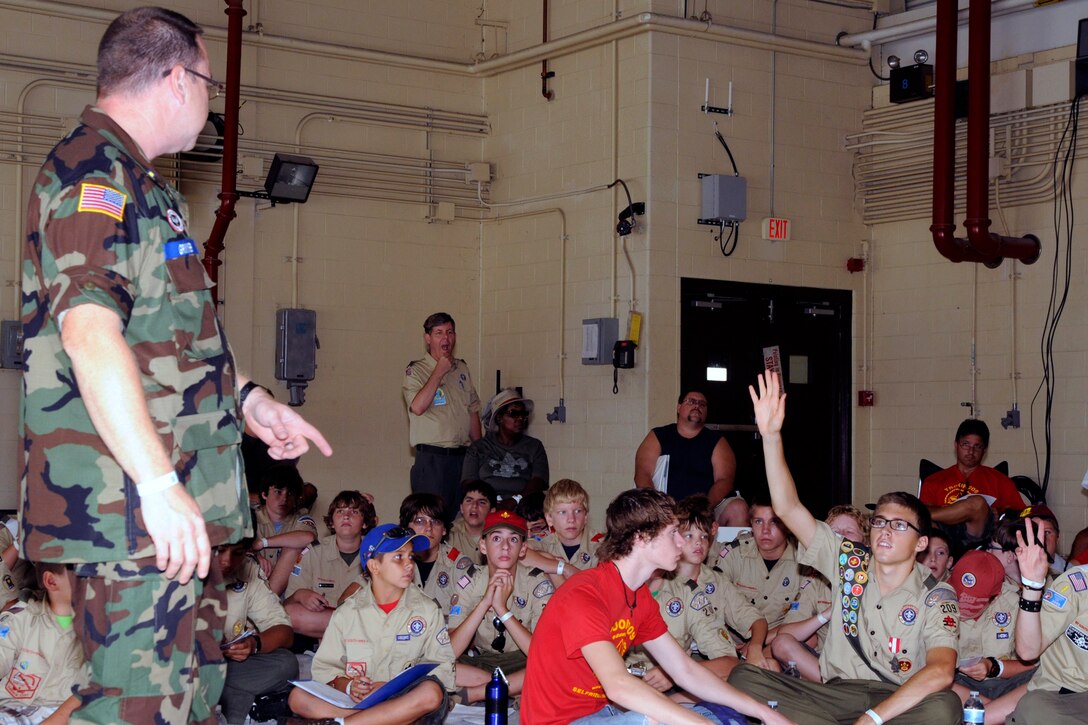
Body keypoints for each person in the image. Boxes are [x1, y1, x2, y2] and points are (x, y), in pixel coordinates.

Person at [19, 8, 333, 723]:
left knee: (189, 699)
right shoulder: (92, 174)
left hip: (172, 512)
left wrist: (250, 400)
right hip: (130, 513)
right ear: (173, 77)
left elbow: (167, 339)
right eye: (206, 80)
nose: (209, 98)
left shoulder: (146, 186)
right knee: (139, 706)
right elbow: (91, 333)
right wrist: (158, 484)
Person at [728, 371, 961, 724]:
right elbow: (789, 508)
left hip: (894, 699)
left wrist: (872, 719)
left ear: (922, 543)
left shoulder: (935, 595)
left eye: (899, 526)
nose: (885, 531)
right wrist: (772, 437)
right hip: (831, 692)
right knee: (743, 677)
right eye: (880, 522)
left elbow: (942, 671)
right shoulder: (850, 561)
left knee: (946, 706)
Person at [520, 488, 791, 725]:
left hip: (604, 713)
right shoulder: (585, 594)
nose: (682, 543)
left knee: (723, 714)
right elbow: (618, 686)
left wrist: (764, 713)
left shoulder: (639, 597)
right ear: (641, 538)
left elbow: (684, 670)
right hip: (561, 721)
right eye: (674, 533)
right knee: (661, 719)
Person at [286, 524, 454, 725]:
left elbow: (443, 668)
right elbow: (324, 669)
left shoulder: (427, 610)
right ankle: (380, 720)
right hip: (357, 702)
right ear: (374, 566)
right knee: (297, 698)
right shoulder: (348, 612)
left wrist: (393, 687)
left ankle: (345, 723)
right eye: (398, 557)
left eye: (410, 556)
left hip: (403, 699)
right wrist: (349, 687)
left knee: (432, 693)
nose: (409, 564)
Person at [447, 511, 552, 703]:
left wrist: (501, 609)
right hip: (481, 664)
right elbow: (451, 651)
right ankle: (506, 688)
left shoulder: (536, 583)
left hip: (522, 662)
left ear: (522, 549)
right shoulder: (470, 580)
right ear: (483, 546)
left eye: (513, 540)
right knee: (436, 666)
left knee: (554, 665)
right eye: (496, 538)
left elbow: (541, 652)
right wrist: (485, 602)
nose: (505, 547)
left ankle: (477, 693)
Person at [770, 505, 868, 681]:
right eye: (834, 532)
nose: (841, 537)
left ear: (865, 542)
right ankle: (833, 689)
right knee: (781, 644)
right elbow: (786, 634)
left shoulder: (876, 576)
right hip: (827, 666)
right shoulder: (817, 581)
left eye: (849, 532)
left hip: (867, 667)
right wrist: (827, 614)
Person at [1005, 517, 1088, 724]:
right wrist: (1032, 586)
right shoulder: (1078, 584)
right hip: (1070, 697)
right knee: (1034, 708)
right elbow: (1028, 651)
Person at [403, 312, 482, 513]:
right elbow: (418, 407)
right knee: (433, 519)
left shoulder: (462, 368)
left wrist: (480, 450)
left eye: (449, 332)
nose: (445, 338)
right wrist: (438, 371)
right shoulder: (416, 371)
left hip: (462, 458)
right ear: (428, 338)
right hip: (433, 460)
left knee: (461, 519)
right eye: (439, 333)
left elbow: (472, 409)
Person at [947, 550, 1035, 722]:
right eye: (957, 596)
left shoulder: (1016, 605)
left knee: (1044, 680)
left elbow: (1032, 665)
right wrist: (993, 707)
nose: (961, 607)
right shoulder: (938, 600)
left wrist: (993, 666)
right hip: (957, 684)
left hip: (1007, 684)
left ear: (995, 596)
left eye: (973, 603)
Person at [217, 540, 297, 725]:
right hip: (185, 666)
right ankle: (236, 709)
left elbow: (283, 630)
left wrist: (254, 644)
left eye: (237, 552)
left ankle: (225, 705)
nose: (228, 560)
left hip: (228, 666)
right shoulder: (177, 568)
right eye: (220, 551)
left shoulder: (247, 569)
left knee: (285, 664)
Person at [633, 391, 744, 525]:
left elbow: (724, 480)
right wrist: (659, 506)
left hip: (706, 509)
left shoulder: (717, 441)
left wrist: (703, 508)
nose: (697, 406)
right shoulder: (658, 435)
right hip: (663, 508)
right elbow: (642, 474)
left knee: (739, 509)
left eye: (702, 404)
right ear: (679, 407)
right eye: (691, 401)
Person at [284, 490, 376, 641]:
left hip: (367, 621)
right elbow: (287, 604)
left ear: (365, 522)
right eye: (340, 511)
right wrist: (301, 595)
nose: (346, 516)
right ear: (331, 522)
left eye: (354, 511)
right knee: (289, 613)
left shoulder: (377, 551)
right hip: (330, 622)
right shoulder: (314, 552)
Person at [919, 419, 1024, 551]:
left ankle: (915, 514)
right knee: (924, 516)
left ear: (984, 450)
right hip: (942, 538)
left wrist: (1000, 514)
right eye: (966, 444)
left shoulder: (999, 480)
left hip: (980, 539)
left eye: (977, 446)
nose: (971, 451)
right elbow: (924, 513)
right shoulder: (934, 480)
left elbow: (1020, 515)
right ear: (956, 445)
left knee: (978, 503)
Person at [0, 563, 83, 724]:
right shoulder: (21, 620)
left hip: (68, 716)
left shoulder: (104, 629)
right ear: (51, 581)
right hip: (10, 712)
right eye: (81, 571)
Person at [714, 498, 804, 629]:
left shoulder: (803, 562)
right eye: (758, 521)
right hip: (733, 639)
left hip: (778, 640)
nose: (765, 530)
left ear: (788, 526)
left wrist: (760, 642)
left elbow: (802, 618)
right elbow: (716, 603)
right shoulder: (734, 554)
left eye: (774, 522)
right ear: (751, 524)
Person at [462, 388, 550, 500]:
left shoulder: (534, 446)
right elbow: (468, 483)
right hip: (487, 506)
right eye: (514, 413)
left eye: (523, 414)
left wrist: (515, 500)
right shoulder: (478, 447)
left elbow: (539, 481)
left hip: (523, 506)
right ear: (499, 418)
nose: (520, 418)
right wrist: (488, 502)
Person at [252, 463, 319, 596]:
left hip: (286, 593)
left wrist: (262, 543)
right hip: (252, 586)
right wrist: (255, 556)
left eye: (290, 493)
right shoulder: (251, 517)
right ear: (264, 494)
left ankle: (268, 601)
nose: (284, 498)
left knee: (293, 547)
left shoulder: (301, 518)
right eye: (278, 491)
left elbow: (308, 537)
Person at [399, 493, 473, 612]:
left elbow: (466, 613)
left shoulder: (459, 565)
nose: (428, 527)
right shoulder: (393, 561)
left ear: (444, 529)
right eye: (419, 521)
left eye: (435, 521)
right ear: (406, 527)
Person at [447, 482, 496, 565]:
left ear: (492, 511)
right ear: (461, 508)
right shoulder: (448, 533)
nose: (474, 506)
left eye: (482, 502)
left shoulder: (501, 537)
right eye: (469, 501)